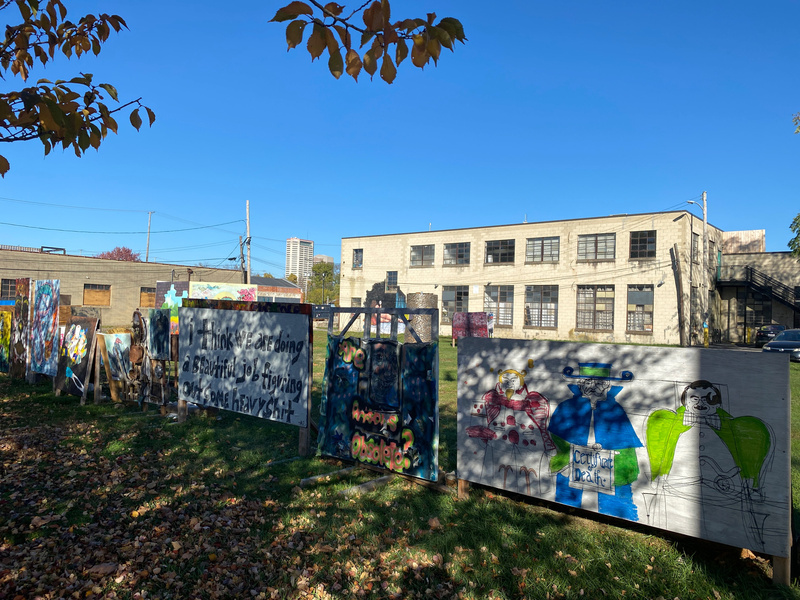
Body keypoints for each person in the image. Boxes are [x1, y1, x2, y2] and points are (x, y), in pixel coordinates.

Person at [548, 362, 642, 521]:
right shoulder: (567, 407)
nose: (593, 387)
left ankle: (615, 518)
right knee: (567, 494)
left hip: (608, 464)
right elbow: (557, 433)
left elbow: (624, 439)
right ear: (580, 384)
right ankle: (566, 515)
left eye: (599, 383)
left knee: (614, 500)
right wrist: (572, 448)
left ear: (606, 386)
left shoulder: (615, 409)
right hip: (573, 461)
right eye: (588, 382)